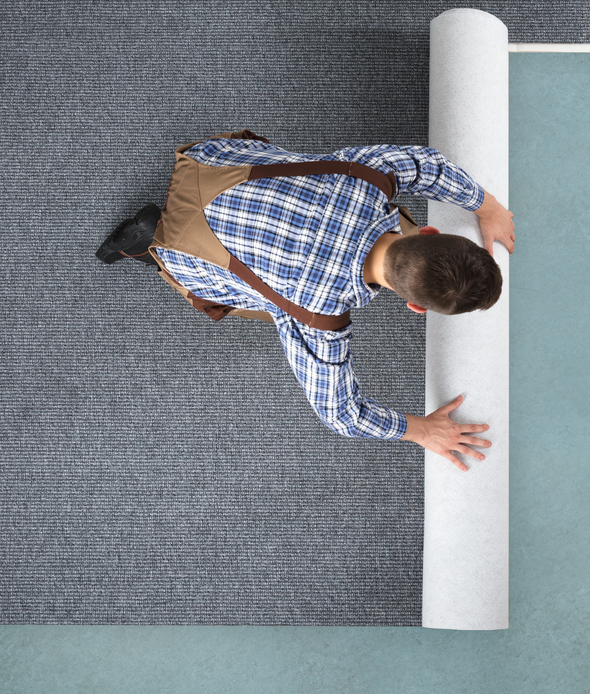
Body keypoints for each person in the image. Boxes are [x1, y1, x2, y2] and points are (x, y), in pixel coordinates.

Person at [97, 132, 515, 471]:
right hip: (183, 246)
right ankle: (148, 245)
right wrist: (421, 430)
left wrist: (487, 204)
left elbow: (429, 165)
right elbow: (341, 415)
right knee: (270, 306)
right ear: (416, 307)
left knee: (285, 281)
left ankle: (166, 228)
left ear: (429, 234)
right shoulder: (317, 315)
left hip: (212, 163)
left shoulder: (368, 178)